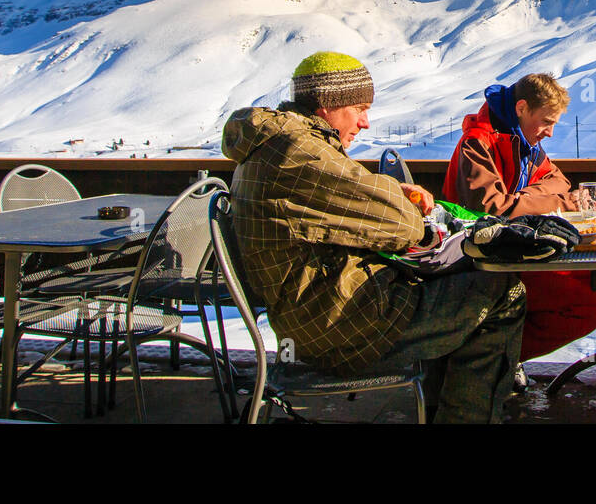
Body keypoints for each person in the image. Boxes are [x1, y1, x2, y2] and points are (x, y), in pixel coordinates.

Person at [224, 51, 527, 423]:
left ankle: (438, 410)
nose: (365, 122)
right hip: (339, 323)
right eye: (359, 108)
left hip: (315, 311)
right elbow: (405, 226)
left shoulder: (282, 144)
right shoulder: (300, 154)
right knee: (504, 293)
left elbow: (351, 201)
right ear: (327, 105)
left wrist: (386, 190)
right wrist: (397, 201)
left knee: (458, 281)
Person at [443, 74, 596, 360]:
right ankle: (482, 361)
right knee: (588, 307)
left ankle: (503, 352)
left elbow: (558, 179)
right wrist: (551, 203)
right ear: (522, 108)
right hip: (480, 263)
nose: (550, 132)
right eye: (546, 122)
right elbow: (493, 209)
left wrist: (523, 200)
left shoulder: (524, 143)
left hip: (513, 252)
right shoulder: (477, 143)